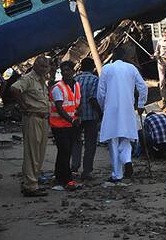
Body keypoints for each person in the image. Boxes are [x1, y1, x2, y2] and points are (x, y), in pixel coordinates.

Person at [98, 47, 148, 183]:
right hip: (127, 108)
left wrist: (103, 107)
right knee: (126, 138)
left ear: (112, 56)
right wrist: (141, 104)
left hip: (112, 109)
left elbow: (101, 92)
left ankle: (117, 174)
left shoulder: (107, 69)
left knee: (113, 141)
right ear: (125, 56)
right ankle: (127, 160)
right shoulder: (131, 68)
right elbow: (143, 87)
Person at [9, 56, 51, 197]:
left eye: (46, 67)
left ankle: (30, 181)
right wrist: (23, 106)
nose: (45, 69)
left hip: (42, 119)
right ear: (36, 66)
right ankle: (31, 186)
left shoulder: (41, 81)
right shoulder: (29, 79)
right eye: (42, 66)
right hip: (33, 118)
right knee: (33, 153)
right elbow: (14, 89)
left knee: (38, 152)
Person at [49, 61, 81, 190]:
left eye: (68, 70)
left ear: (73, 71)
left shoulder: (77, 85)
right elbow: (59, 108)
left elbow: (77, 103)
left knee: (64, 152)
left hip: (70, 124)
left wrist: (78, 115)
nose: (65, 73)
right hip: (59, 125)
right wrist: (71, 120)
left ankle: (59, 176)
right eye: (63, 71)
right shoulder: (58, 88)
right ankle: (67, 178)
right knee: (65, 150)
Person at [72, 58, 101, 180]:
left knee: (76, 142)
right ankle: (87, 171)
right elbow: (92, 98)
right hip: (90, 116)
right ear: (93, 67)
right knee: (90, 144)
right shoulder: (95, 80)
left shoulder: (75, 79)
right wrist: (100, 113)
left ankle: (74, 167)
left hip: (76, 116)